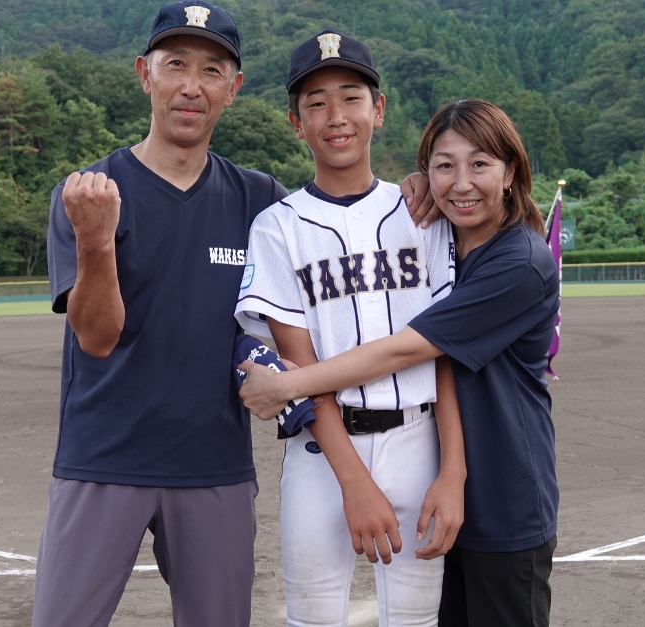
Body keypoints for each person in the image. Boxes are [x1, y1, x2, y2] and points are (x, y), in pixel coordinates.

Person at [34, 2, 439, 625]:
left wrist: (422, 186)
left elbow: (337, 217)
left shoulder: (259, 202)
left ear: (234, 87)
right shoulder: (92, 192)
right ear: (145, 73)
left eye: (212, 70)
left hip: (214, 466)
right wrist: (95, 240)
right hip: (104, 460)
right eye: (175, 65)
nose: (191, 85)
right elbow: (96, 336)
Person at [239, 98, 559, 627]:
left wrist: (287, 385)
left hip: (502, 490)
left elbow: (410, 349)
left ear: (510, 173)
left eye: (481, 164)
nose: (462, 182)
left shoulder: (518, 261)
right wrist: (420, 185)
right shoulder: (443, 230)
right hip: (440, 481)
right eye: (444, 166)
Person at [234, 31, 466, 627]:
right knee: (312, 618)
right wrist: (354, 481)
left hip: (419, 440)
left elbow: (445, 354)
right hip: (322, 450)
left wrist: (452, 471)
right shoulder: (277, 227)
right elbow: (299, 365)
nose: (336, 116)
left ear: (378, 110)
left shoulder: (425, 214)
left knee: (417, 620)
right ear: (296, 123)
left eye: (351, 97)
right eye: (316, 103)